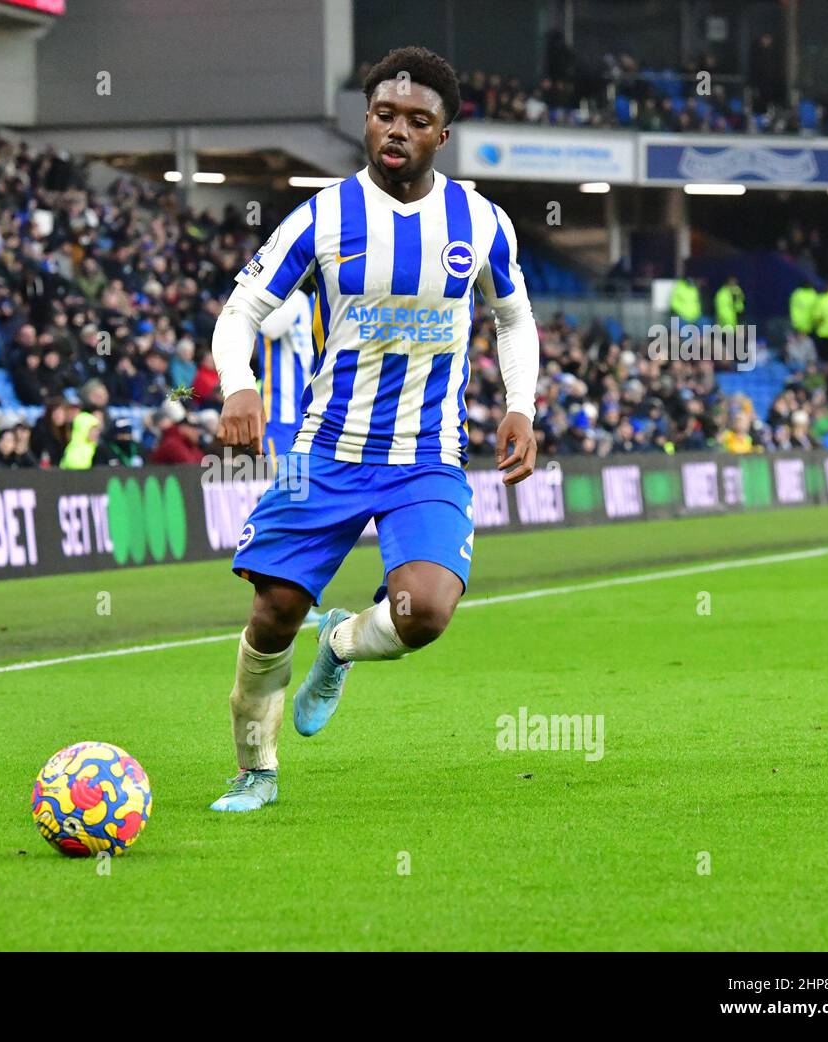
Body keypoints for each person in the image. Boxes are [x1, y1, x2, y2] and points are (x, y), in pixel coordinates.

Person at [205, 47, 539, 812]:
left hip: (427, 457)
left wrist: (521, 402)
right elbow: (240, 313)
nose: (397, 130)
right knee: (273, 611)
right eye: (385, 114)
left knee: (423, 612)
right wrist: (239, 386)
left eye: (417, 120)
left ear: (441, 135)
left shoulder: (480, 223)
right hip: (324, 451)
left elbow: (513, 315)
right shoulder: (322, 217)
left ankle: (342, 643)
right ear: (366, 119)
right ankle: (256, 771)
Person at [252, 286, 315, 463]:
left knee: (297, 485)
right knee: (292, 485)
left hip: (296, 415)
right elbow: (270, 328)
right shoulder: (307, 300)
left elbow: (270, 327)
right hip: (288, 415)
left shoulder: (304, 299)